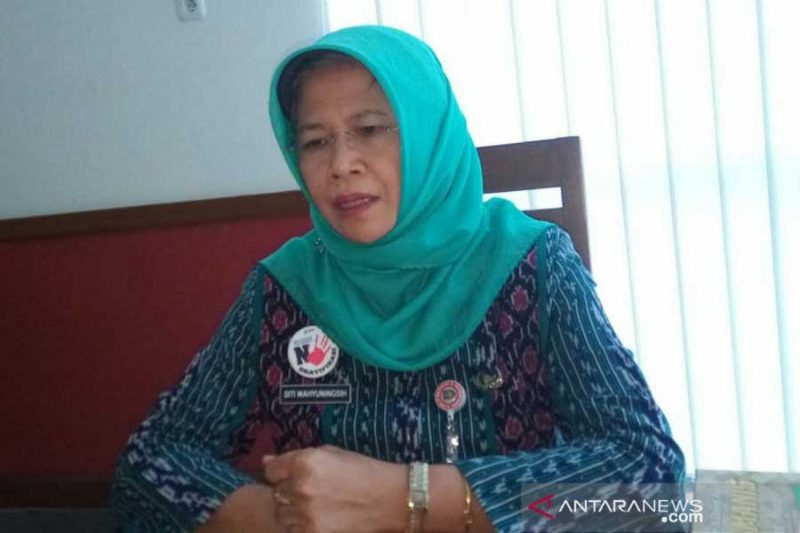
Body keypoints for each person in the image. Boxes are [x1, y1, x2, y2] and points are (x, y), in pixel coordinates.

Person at [111, 25, 686, 532]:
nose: (341, 164)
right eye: (314, 141)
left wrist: (405, 499)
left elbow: (651, 477)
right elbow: (150, 460)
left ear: (428, 134)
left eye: (370, 128)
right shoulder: (284, 288)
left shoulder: (533, 265)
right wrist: (278, 517)